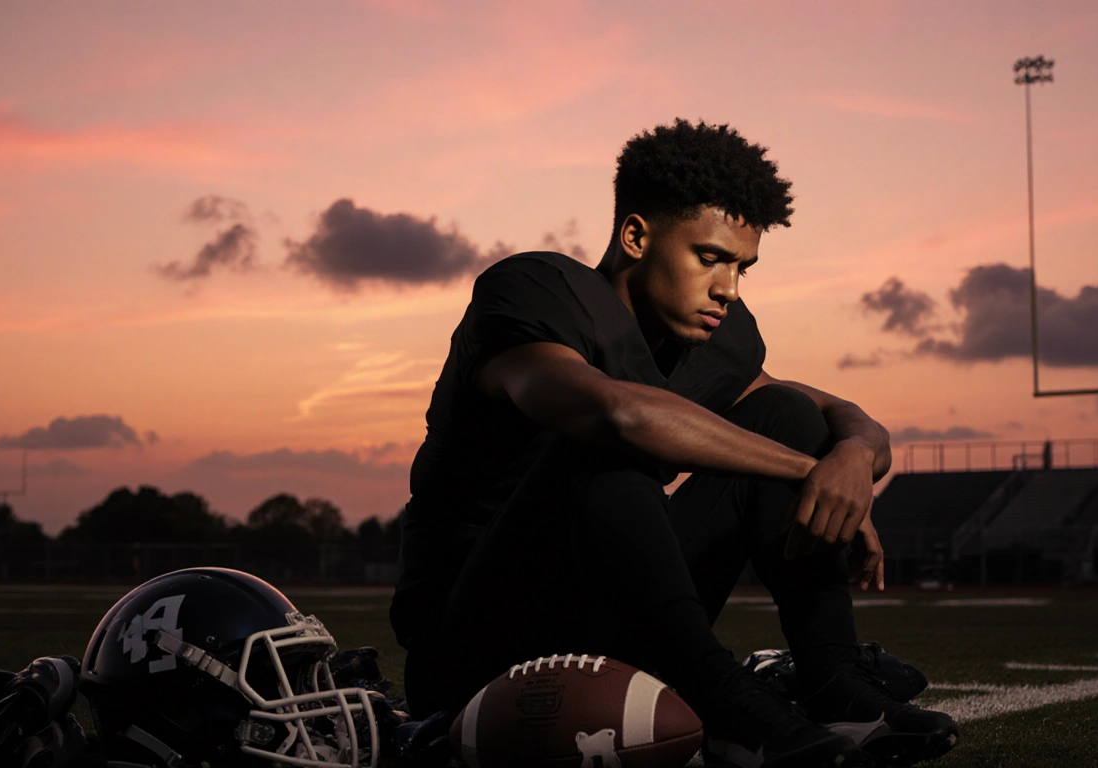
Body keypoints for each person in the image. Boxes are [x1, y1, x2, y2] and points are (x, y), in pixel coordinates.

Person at [390, 119, 958, 767]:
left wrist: (850, 458)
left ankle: (834, 681)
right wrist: (810, 472)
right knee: (606, 443)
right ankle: (722, 698)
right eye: (709, 258)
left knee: (786, 413)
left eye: (742, 267)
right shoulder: (536, 293)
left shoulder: (712, 340)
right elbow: (614, 412)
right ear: (636, 237)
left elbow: (833, 415)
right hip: (476, 652)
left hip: (607, 628)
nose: (729, 288)